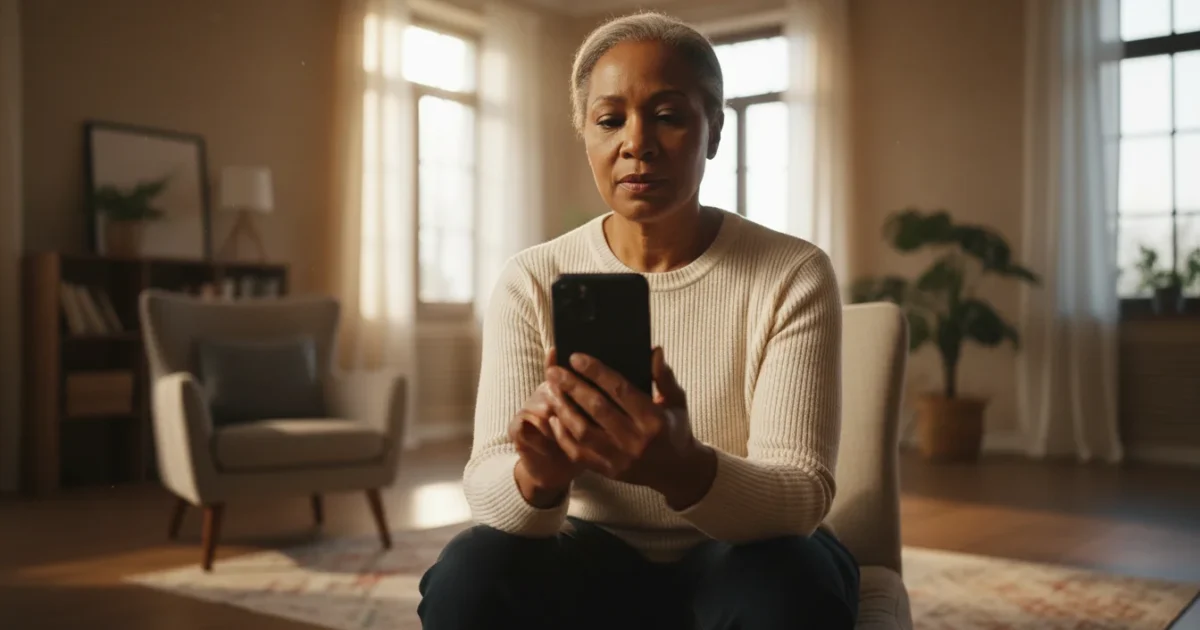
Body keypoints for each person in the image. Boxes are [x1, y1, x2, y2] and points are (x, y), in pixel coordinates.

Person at [418, 11, 857, 630]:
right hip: (588, 551)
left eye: (669, 115)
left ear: (714, 132)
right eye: (609, 119)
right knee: (468, 573)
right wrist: (536, 479)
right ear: (586, 133)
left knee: (791, 589)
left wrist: (683, 469)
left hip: (745, 551)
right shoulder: (531, 278)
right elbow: (486, 482)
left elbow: (801, 495)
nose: (636, 143)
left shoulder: (792, 271)